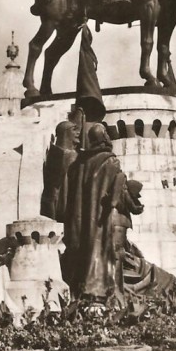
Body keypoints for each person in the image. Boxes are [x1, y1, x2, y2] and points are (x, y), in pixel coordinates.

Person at [62, 122, 126, 301]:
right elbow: (115, 197)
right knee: (98, 250)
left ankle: (81, 291)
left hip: (78, 218)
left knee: (84, 251)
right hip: (99, 217)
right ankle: (99, 293)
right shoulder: (110, 161)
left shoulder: (78, 164)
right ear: (104, 137)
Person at [40, 121, 80, 222]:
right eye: (74, 130)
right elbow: (53, 190)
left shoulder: (71, 155)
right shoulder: (63, 155)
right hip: (63, 207)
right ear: (65, 133)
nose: (78, 133)